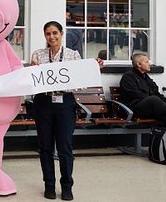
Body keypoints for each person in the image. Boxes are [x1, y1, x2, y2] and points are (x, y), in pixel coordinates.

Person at [29, 21, 104, 201]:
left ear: (62, 34)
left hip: (65, 103)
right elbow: (33, 80)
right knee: (45, 147)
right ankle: (49, 186)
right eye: (48, 34)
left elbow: (82, 75)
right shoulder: (37, 55)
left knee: (65, 147)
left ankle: (67, 186)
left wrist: (95, 66)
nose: (52, 37)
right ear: (45, 36)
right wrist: (31, 71)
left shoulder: (73, 54)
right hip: (44, 102)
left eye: (55, 33)